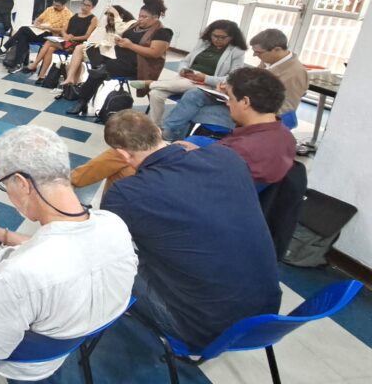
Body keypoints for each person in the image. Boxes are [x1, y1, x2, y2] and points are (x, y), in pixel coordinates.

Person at [0, 126, 137, 383]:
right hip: (68, 327)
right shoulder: (114, 224)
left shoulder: (20, 275)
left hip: (19, 356)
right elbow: (56, 247)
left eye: (5, 185)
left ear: (23, 184)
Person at [99, 110, 281, 349]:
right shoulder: (229, 159)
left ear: (122, 154)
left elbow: (101, 246)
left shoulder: (128, 193)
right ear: (159, 132)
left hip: (200, 327)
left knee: (110, 265)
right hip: (265, 315)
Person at [162, 28, 309, 141]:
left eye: (258, 52)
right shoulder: (271, 60)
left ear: (277, 50)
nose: (255, 56)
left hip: (253, 115)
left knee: (191, 111)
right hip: (239, 101)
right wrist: (230, 90)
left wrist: (234, 97)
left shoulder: (295, 74)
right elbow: (252, 84)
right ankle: (170, 134)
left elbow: (279, 109)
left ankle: (171, 138)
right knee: (194, 95)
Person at [176, 67, 296, 184]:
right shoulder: (287, 137)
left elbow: (199, 180)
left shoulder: (238, 151)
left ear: (245, 102)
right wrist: (201, 152)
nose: (228, 103)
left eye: (231, 98)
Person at [67, 0, 171, 116]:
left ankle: (82, 100)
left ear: (155, 17)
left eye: (144, 17)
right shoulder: (135, 26)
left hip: (137, 64)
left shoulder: (162, 32)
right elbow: (121, 33)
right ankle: (101, 69)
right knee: (92, 48)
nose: (141, 19)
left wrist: (130, 45)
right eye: (140, 16)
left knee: (100, 70)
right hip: (118, 57)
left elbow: (154, 53)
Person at [134, 20, 247, 126]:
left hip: (209, 84)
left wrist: (205, 78)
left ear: (232, 37)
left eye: (222, 37)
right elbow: (185, 60)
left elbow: (232, 78)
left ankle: (150, 83)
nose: (217, 39)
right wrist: (183, 70)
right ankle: (155, 126)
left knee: (187, 84)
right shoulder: (204, 44)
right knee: (156, 94)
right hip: (187, 77)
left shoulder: (237, 51)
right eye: (215, 36)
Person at [15, 0, 98, 76]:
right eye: (84, 4)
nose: (84, 7)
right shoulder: (75, 16)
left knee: (48, 42)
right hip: (66, 41)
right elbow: (63, 29)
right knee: (50, 49)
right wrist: (65, 35)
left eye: (88, 5)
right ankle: (42, 75)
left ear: (93, 7)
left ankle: (34, 65)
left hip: (77, 45)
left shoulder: (93, 19)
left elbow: (87, 36)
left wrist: (72, 37)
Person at [60, 5, 136, 87]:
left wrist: (116, 15)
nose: (109, 19)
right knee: (77, 51)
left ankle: (72, 82)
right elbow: (98, 37)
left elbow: (120, 31)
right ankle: (72, 81)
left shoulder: (130, 23)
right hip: (99, 49)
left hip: (114, 55)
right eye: (109, 16)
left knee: (78, 52)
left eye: (112, 16)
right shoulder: (75, 16)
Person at [0, 0, 74, 65]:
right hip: (40, 31)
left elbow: (63, 30)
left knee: (23, 30)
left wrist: (49, 28)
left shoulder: (68, 14)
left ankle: (5, 48)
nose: (55, 6)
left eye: (57, 6)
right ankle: (17, 63)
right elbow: (39, 19)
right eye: (54, 4)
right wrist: (36, 23)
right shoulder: (50, 9)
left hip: (51, 35)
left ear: (64, 5)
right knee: (23, 36)